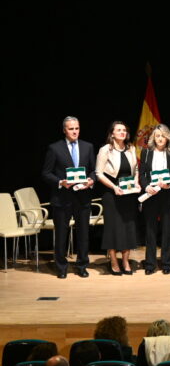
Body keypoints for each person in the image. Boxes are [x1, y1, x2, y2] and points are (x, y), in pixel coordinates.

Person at [42, 116, 96, 278]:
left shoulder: (88, 147)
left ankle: (82, 266)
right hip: (62, 198)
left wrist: (91, 180)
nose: (74, 131)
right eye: (71, 129)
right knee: (61, 235)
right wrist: (60, 182)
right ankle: (62, 267)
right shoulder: (54, 148)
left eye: (77, 128)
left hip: (83, 197)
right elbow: (46, 173)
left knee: (83, 234)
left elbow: (94, 170)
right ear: (64, 130)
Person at [95, 120, 140, 275]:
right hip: (111, 192)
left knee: (128, 227)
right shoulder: (105, 150)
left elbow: (136, 170)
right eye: (119, 130)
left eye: (124, 130)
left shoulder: (131, 148)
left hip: (128, 194)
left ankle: (126, 261)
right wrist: (114, 187)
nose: (122, 132)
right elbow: (99, 173)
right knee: (113, 228)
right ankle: (114, 261)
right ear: (112, 133)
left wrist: (136, 184)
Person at [140, 124, 170, 275]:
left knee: (167, 230)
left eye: (162, 136)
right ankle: (150, 264)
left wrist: (169, 183)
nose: (160, 139)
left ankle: (167, 263)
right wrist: (146, 186)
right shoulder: (146, 152)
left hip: (167, 194)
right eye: (157, 136)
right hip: (151, 194)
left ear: (167, 138)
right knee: (150, 230)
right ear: (153, 138)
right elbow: (141, 173)